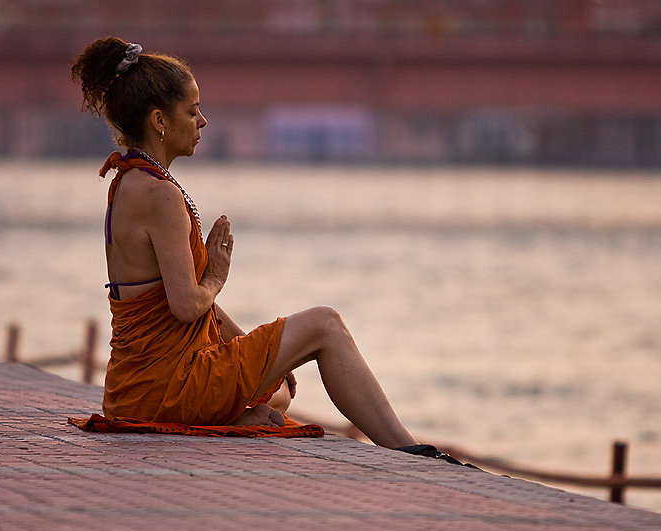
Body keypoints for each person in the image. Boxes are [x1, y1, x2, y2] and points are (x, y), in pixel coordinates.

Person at [71, 37, 419, 450]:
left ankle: (248, 412)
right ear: (160, 121)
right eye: (193, 110)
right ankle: (409, 451)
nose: (203, 121)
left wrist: (260, 352)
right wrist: (216, 275)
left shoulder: (129, 181)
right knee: (325, 324)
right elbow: (186, 306)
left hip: (132, 390)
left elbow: (179, 300)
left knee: (280, 389)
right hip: (166, 389)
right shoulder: (158, 195)